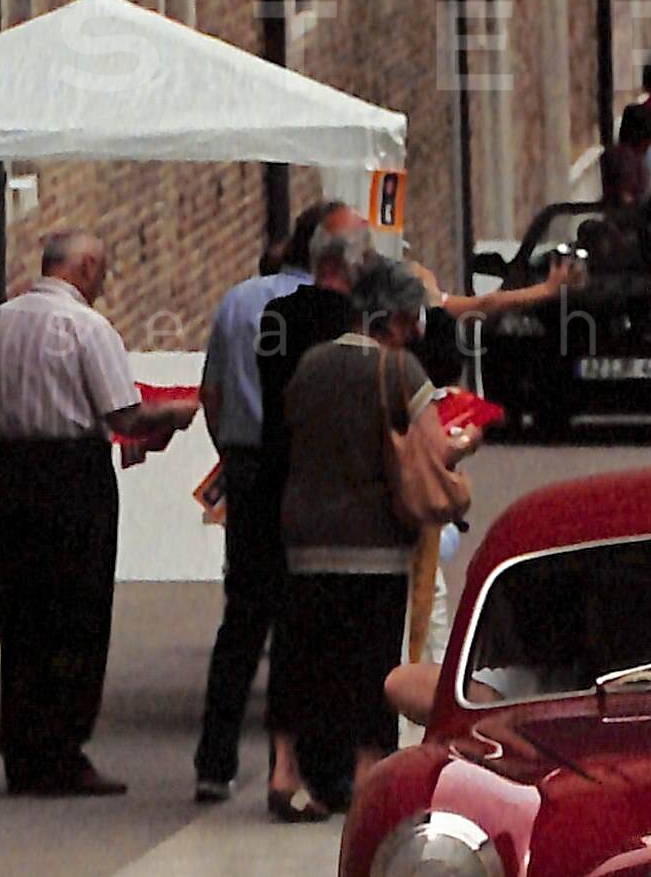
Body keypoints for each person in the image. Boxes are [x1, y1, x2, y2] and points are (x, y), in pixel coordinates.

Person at [0, 228, 183, 798]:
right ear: (85, 267)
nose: (105, 283)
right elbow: (124, 415)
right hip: (72, 473)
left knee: (23, 609)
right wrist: (176, 412)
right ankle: (62, 747)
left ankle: (22, 746)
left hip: (14, 470)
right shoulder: (88, 328)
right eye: (102, 271)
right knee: (77, 608)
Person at [267, 248, 470, 821]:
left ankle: (299, 774)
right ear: (395, 319)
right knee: (370, 666)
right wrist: (465, 443)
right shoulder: (400, 371)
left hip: (305, 537)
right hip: (374, 541)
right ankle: (365, 776)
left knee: (312, 660)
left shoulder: (310, 365)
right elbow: (434, 450)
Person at [191, 238, 309, 805]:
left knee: (241, 619)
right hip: (301, 470)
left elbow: (211, 394)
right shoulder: (325, 306)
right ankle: (289, 765)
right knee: (298, 619)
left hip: (246, 465)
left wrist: (231, 453)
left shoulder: (237, 301)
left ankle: (214, 763)